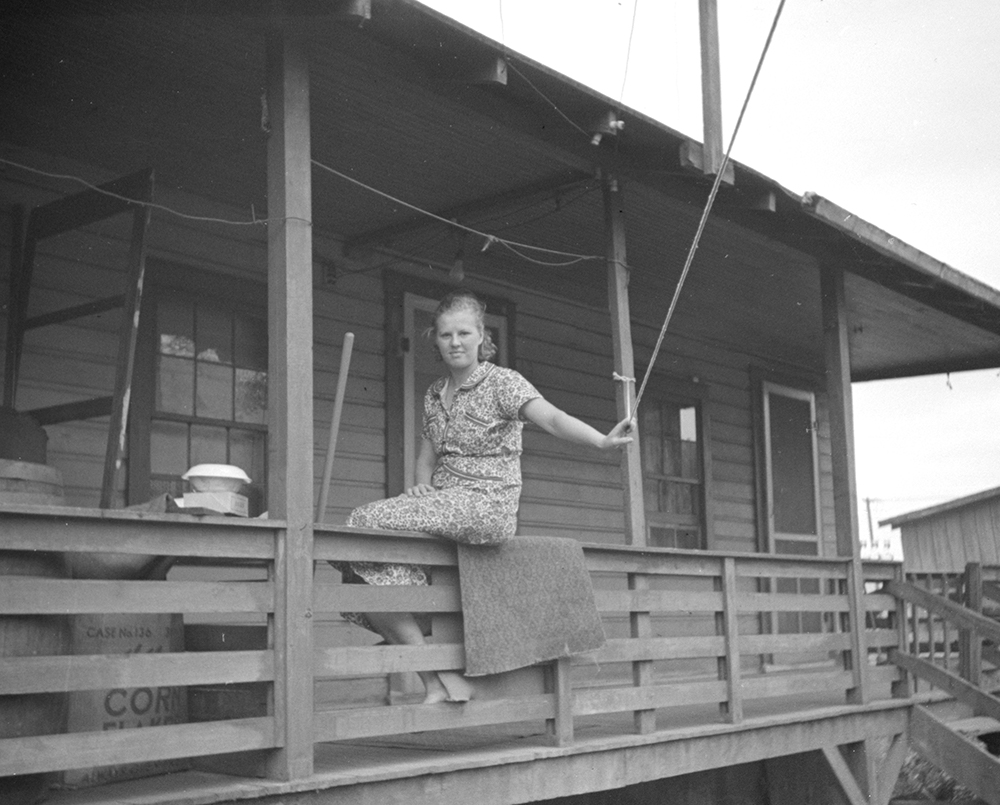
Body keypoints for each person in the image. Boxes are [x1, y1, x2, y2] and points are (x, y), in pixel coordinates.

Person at [335, 289, 632, 703]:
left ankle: (426, 644)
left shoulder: (503, 382)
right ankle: (435, 681)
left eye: (463, 333)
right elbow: (427, 455)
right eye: (445, 334)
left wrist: (601, 441)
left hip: (486, 506)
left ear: (481, 337)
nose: (455, 342)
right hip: (445, 502)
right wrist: (421, 485)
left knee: (363, 522)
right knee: (363, 567)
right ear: (435, 340)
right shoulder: (434, 394)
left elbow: (553, 418)